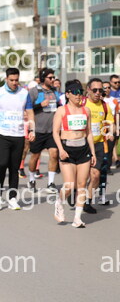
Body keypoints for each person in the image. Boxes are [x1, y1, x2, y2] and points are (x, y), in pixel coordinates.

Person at [0, 68, 35, 211]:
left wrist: (32, 130)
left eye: (16, 80)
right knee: (2, 164)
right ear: (6, 79)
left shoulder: (24, 93)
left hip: (18, 135)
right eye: (11, 80)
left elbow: (30, 112)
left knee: (14, 168)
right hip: (1, 134)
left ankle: (12, 198)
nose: (14, 83)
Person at [51, 80, 95, 228]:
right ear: (68, 94)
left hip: (83, 149)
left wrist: (93, 153)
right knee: (69, 185)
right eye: (75, 92)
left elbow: (89, 133)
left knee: (82, 185)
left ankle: (77, 218)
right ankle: (59, 202)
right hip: (67, 150)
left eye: (81, 92)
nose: (78, 95)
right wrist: (61, 150)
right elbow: (55, 133)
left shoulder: (86, 110)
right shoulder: (61, 110)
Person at [83, 78, 114, 211]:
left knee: (95, 175)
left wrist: (110, 132)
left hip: (99, 144)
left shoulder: (105, 106)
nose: (97, 93)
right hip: (82, 144)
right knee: (82, 175)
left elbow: (110, 122)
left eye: (100, 90)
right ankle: (74, 191)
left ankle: (87, 202)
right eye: (94, 90)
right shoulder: (82, 103)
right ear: (88, 90)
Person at [27, 68, 60, 193]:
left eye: (53, 77)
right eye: (50, 78)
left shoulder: (55, 92)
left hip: (52, 130)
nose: (53, 80)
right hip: (38, 130)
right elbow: (28, 109)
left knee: (54, 154)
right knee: (35, 156)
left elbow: (59, 106)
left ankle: (50, 183)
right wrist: (40, 105)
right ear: (43, 78)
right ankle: (31, 180)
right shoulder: (34, 91)